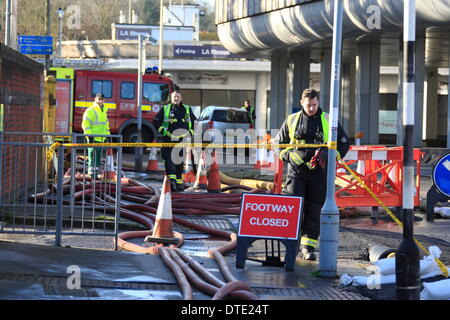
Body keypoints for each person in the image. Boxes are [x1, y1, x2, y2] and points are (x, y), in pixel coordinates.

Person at [274, 88, 350, 261]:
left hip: (319, 172)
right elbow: (279, 145)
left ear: (318, 103)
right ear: (301, 103)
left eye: (314, 105)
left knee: (315, 209)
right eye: (308, 105)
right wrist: (289, 155)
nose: (311, 108)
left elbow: (344, 144)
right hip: (297, 172)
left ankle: (308, 247)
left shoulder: (329, 120)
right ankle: (291, 245)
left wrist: (329, 154)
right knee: (293, 209)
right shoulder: (292, 120)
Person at [153, 91, 197, 192]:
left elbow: (195, 122)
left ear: (181, 98)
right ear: (171, 98)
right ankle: (171, 181)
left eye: (178, 97)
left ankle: (178, 182)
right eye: (174, 97)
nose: (176, 98)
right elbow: (155, 121)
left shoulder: (187, 109)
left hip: (182, 140)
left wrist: (190, 132)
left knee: (179, 161)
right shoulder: (166, 108)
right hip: (169, 139)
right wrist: (162, 130)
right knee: (169, 160)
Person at [82, 93, 110, 179]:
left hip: (101, 138)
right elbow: (85, 124)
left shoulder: (104, 110)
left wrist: (107, 136)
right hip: (93, 138)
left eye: (102, 99)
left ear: (104, 100)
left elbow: (106, 125)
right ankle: (92, 175)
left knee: (97, 158)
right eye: (99, 99)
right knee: (92, 157)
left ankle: (95, 174)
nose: (100, 100)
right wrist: (90, 136)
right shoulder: (90, 110)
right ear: (95, 99)